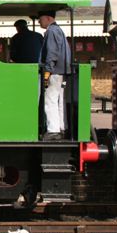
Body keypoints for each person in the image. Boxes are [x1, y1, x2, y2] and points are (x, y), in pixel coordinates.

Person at [38, 10, 71, 140]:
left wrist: (47, 71)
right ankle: (62, 127)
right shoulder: (59, 30)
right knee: (60, 101)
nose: (39, 21)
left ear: (48, 18)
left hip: (54, 71)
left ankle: (53, 131)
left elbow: (51, 53)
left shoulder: (51, 31)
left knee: (50, 100)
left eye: (40, 19)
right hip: (62, 71)